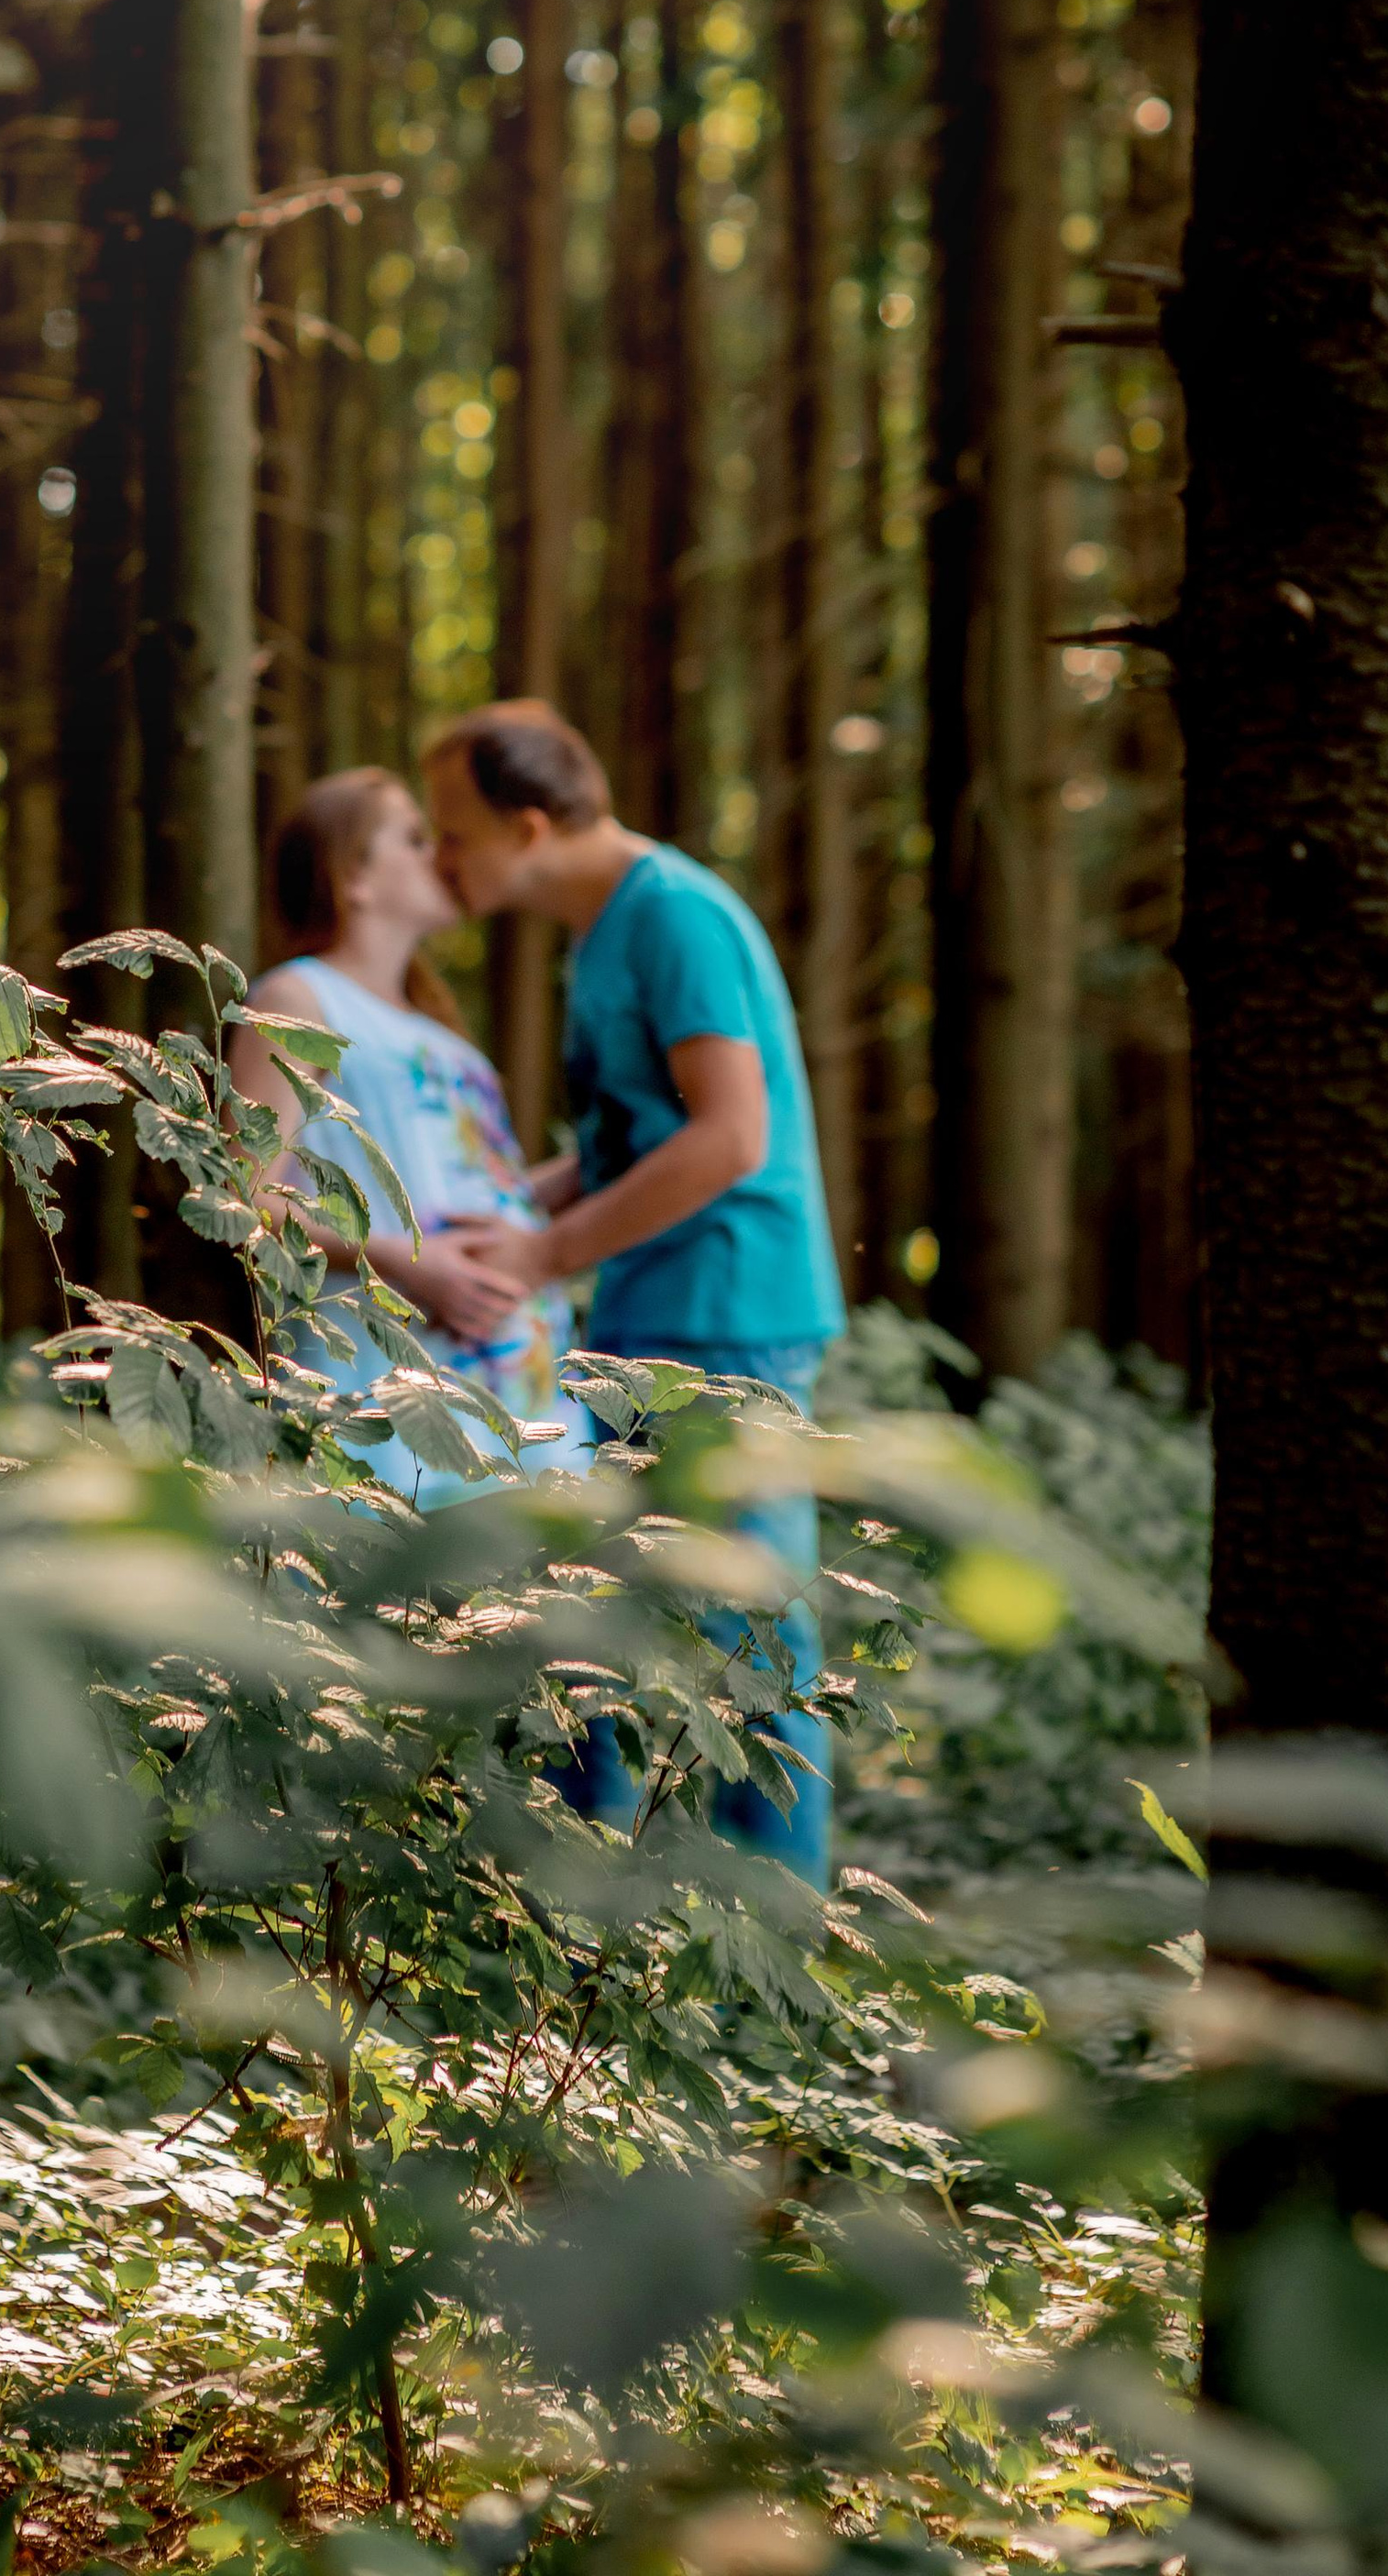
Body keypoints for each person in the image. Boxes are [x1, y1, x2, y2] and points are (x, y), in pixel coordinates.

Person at [422, 700, 843, 1888]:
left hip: (731, 1310)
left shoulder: (676, 917)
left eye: (455, 833)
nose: (443, 860)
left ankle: (780, 1944)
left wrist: (549, 1253)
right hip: (650, 1314)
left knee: (748, 1631)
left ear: (532, 824)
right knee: (600, 1616)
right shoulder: (599, 934)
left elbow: (729, 1138)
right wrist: (526, 1212)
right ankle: (586, 1926)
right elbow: (628, 1144)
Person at [227, 766, 589, 1505]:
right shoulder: (298, 997)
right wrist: (399, 1261)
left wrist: (594, 1167)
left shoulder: (443, 1035)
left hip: (521, 1381)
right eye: (418, 839)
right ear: (351, 877)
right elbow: (242, 1194)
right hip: (390, 1391)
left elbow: (488, 1192)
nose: (445, 855)